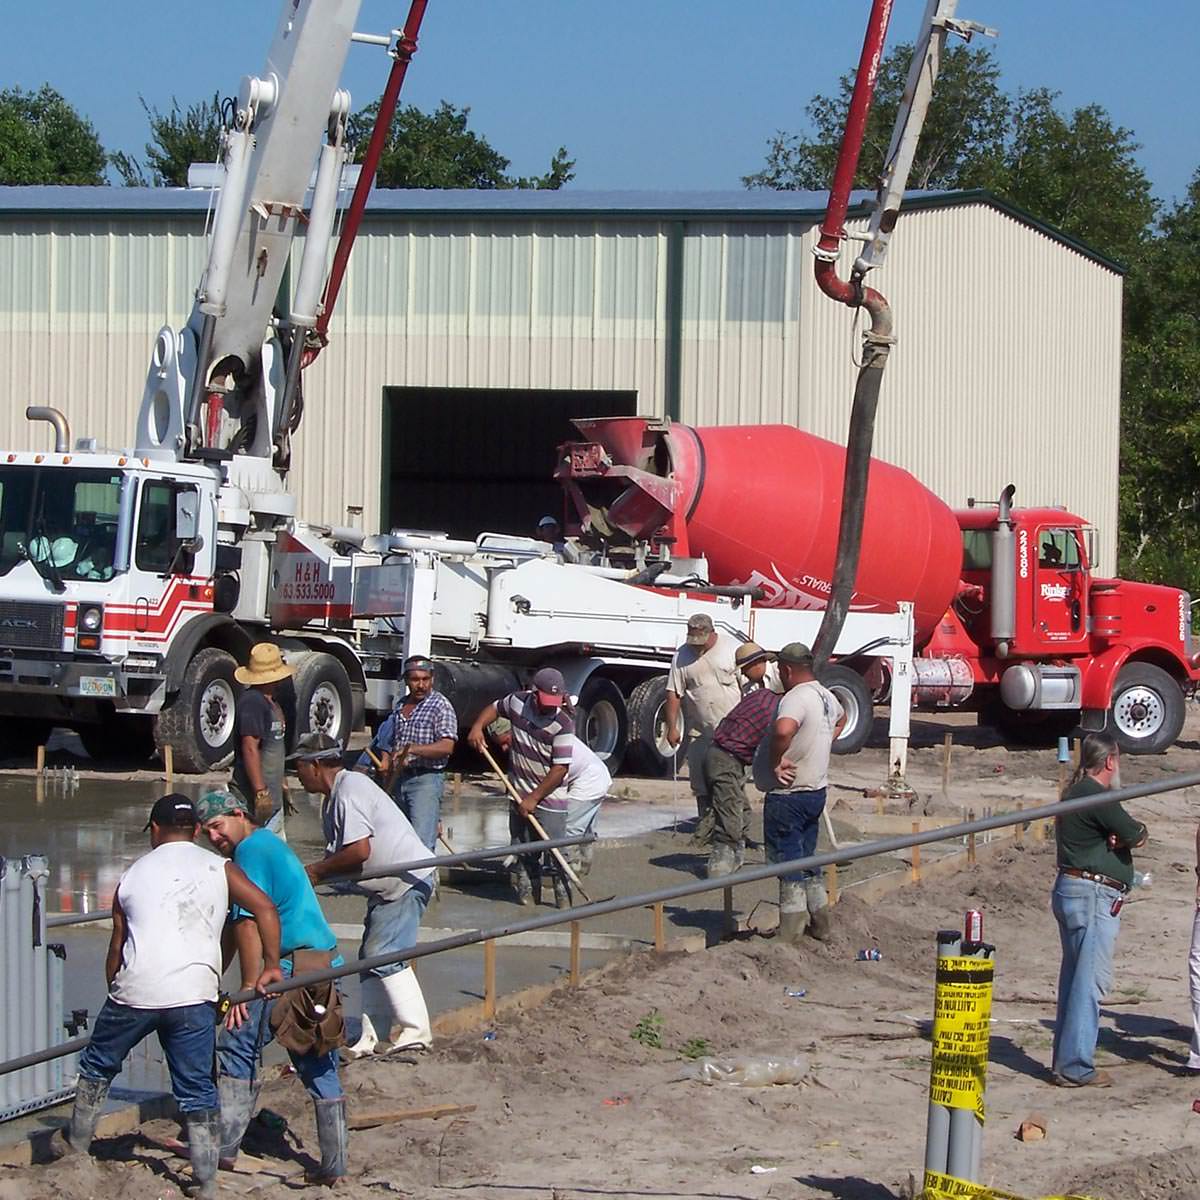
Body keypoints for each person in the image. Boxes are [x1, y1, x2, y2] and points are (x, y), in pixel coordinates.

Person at [60, 795, 283, 1200]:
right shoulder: (220, 867)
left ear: (155, 830)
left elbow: (117, 944)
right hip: (194, 995)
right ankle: (207, 1182)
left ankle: (76, 1148)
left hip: (136, 991)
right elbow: (265, 908)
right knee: (197, 1088)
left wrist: (115, 987)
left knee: (97, 1066)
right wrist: (270, 964)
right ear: (196, 831)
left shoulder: (132, 875)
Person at [194, 789, 348, 1182]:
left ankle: (225, 1148)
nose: (214, 838)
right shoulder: (264, 845)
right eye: (206, 833)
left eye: (217, 826)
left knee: (237, 1040)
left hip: (290, 963)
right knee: (314, 1051)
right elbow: (233, 928)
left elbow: (248, 921)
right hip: (320, 959)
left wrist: (248, 986)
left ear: (238, 814)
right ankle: (334, 1165)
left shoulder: (250, 852)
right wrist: (214, 975)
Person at [293, 732, 435, 1058]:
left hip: (406, 882)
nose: (297, 775)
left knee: (383, 954)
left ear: (315, 765)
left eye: (299, 767)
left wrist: (317, 872)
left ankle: (417, 1034)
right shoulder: (339, 794)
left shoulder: (349, 791)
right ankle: (371, 1038)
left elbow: (358, 850)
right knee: (371, 961)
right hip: (390, 887)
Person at [1052, 732, 1146, 1087]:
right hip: (1091, 895)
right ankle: (1075, 1065)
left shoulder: (1075, 794)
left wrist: (1118, 836)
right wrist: (1123, 836)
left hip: (1073, 891)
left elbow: (1122, 833)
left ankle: (1066, 1061)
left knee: (1075, 980)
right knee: (1088, 983)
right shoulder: (1098, 796)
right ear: (1109, 761)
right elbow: (1135, 832)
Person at [752, 643, 845, 944]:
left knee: (788, 858)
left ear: (788, 670)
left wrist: (776, 762)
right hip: (815, 790)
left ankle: (790, 933)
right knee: (807, 856)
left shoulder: (796, 698)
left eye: (780, 669)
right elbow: (841, 720)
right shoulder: (826, 696)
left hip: (789, 794)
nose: (779, 674)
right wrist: (822, 744)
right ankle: (821, 923)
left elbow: (783, 730)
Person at [468, 668, 575, 906]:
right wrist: (477, 727)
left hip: (550, 796)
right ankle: (527, 894)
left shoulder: (563, 724)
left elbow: (560, 770)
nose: (550, 707)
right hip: (519, 790)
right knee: (523, 846)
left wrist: (534, 798)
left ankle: (564, 897)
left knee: (555, 848)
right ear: (534, 693)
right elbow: (495, 709)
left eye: (554, 702)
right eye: (546, 701)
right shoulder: (517, 702)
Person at [488, 715, 611, 893]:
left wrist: (533, 800)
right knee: (571, 829)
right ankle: (578, 867)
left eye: (506, 741)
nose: (504, 748)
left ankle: (569, 877)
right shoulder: (524, 743)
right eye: (500, 744)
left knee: (565, 831)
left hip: (589, 779)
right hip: (582, 774)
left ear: (514, 732)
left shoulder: (539, 741)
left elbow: (552, 778)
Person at [355, 655, 458, 851]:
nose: (420, 685)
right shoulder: (401, 705)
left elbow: (447, 746)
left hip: (425, 781)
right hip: (399, 779)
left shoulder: (440, 706)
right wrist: (385, 761)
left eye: (425, 679)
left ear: (432, 679)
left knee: (421, 844)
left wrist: (412, 750)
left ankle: (424, 881)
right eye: (415, 679)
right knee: (399, 839)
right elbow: (388, 738)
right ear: (406, 680)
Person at [702, 643, 781, 878]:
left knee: (739, 807)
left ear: (757, 664)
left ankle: (736, 852)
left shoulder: (778, 681)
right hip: (728, 754)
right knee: (731, 808)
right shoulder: (761, 695)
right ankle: (724, 858)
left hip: (733, 753)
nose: (744, 675)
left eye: (745, 669)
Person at [664, 613, 742, 848]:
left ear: (712, 633)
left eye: (701, 640)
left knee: (728, 782)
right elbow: (674, 693)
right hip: (700, 732)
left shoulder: (732, 649)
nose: (696, 646)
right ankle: (705, 825)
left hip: (732, 733)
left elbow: (748, 686)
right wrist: (672, 726)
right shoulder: (681, 656)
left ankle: (732, 832)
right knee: (700, 782)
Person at [232, 642, 293, 832]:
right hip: (255, 797)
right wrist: (260, 792)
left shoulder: (272, 703)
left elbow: (274, 746)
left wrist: (282, 782)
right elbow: (250, 747)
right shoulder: (253, 702)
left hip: (272, 795)